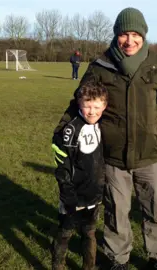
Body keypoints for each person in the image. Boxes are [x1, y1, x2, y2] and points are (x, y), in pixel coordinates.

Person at [53, 7, 157, 270]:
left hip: (150, 155)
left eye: (135, 34)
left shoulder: (156, 66)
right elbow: (79, 101)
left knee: (155, 210)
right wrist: (61, 132)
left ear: (143, 36)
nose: (129, 40)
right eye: (124, 34)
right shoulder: (101, 67)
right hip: (111, 156)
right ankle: (118, 259)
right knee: (116, 212)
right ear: (116, 35)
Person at [51, 82, 108, 270]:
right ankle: (58, 265)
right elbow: (63, 166)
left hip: (94, 194)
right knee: (65, 232)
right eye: (87, 106)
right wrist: (67, 191)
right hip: (72, 195)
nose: (92, 111)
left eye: (97, 107)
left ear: (104, 106)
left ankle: (88, 267)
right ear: (79, 104)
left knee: (89, 232)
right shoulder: (71, 130)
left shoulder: (105, 126)